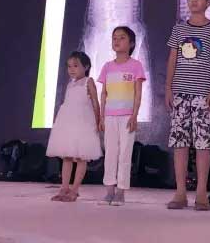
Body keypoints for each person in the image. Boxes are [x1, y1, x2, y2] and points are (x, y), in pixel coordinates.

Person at [165, 0, 210, 211]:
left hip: (203, 94)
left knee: (203, 143)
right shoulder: (179, 29)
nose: (194, 0)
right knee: (180, 142)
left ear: (208, 2)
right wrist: (168, 88)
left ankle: (202, 192)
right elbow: (172, 58)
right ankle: (180, 192)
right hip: (180, 93)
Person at [97, 26, 146, 206]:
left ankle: (121, 192)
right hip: (109, 117)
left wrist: (134, 116)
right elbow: (104, 94)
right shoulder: (107, 67)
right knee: (110, 153)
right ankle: (109, 191)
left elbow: (138, 93)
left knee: (125, 153)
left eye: (122, 38)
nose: (117, 41)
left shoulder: (136, 66)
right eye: (114, 38)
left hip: (127, 117)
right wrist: (101, 117)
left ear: (131, 43)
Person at [46, 51, 102, 202]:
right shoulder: (70, 85)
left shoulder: (88, 81)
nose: (71, 69)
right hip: (68, 124)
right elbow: (66, 104)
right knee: (67, 157)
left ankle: (75, 190)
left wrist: (98, 121)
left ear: (86, 66)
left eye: (75, 66)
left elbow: (95, 102)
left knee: (81, 157)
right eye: (69, 66)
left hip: (83, 123)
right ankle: (64, 188)